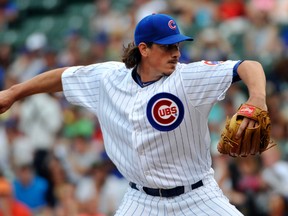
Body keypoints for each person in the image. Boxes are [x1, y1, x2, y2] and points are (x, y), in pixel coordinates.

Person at [0, 13, 268, 215]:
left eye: (177, 46)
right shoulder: (108, 78)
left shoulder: (188, 78)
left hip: (197, 197)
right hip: (141, 201)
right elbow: (62, 77)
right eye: (167, 47)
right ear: (144, 49)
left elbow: (248, 66)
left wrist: (257, 98)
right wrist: (13, 92)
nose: (176, 53)